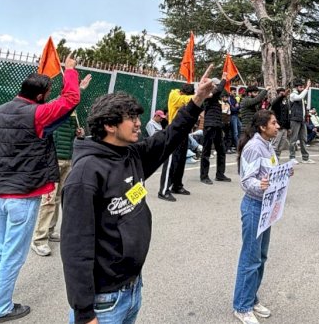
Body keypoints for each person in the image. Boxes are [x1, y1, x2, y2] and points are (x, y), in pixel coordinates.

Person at [61, 65, 216, 324]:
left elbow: (170, 136)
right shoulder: (85, 175)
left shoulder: (131, 154)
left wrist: (197, 99)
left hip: (131, 289)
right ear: (109, 125)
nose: (137, 123)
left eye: (137, 116)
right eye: (130, 118)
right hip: (104, 302)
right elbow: (76, 248)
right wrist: (85, 313)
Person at [0, 55, 83, 323]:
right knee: (14, 253)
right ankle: (0, 308)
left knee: (0, 247)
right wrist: (70, 71)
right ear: (42, 95)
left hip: (3, 193)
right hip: (24, 196)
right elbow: (70, 100)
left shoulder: (0, 111)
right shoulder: (37, 113)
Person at [232, 109, 289, 324]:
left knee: (260, 257)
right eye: (274, 123)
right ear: (262, 127)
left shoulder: (268, 146)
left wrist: (284, 171)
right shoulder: (254, 147)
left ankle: (251, 298)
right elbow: (247, 181)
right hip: (254, 207)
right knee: (250, 257)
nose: (277, 126)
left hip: (266, 207)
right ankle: (242, 306)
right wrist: (261, 184)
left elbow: (269, 172)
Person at [31, 72, 90, 257]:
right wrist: (78, 88)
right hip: (52, 160)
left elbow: (75, 129)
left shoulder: (74, 112)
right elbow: (67, 100)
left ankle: (50, 230)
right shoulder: (54, 106)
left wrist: (79, 133)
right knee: (48, 200)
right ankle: (39, 239)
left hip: (68, 158)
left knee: (58, 198)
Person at [157, 83, 196, 201]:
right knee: (170, 161)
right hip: (173, 132)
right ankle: (163, 190)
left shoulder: (189, 98)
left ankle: (177, 185)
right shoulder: (174, 94)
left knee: (181, 160)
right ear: (182, 92)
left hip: (184, 132)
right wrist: (197, 96)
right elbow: (182, 100)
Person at [201, 76, 232, 184]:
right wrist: (224, 79)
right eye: (215, 84)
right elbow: (218, 89)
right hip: (209, 125)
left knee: (221, 150)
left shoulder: (216, 96)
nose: (217, 86)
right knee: (206, 151)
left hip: (217, 125)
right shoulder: (208, 94)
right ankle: (204, 176)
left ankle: (220, 174)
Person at [288, 79, 314, 164]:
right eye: (300, 87)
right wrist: (307, 87)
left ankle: (305, 158)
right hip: (295, 120)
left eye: (303, 87)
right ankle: (292, 157)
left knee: (303, 139)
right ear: (296, 87)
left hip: (302, 120)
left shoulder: (301, 95)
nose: (302, 88)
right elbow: (300, 97)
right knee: (293, 139)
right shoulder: (293, 95)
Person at [269, 86, 291, 160]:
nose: (283, 95)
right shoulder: (275, 102)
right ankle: (271, 161)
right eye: (281, 93)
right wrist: (282, 95)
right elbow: (275, 102)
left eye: (284, 93)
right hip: (277, 127)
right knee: (274, 145)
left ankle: (277, 160)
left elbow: (288, 115)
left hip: (284, 127)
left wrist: (288, 128)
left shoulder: (286, 102)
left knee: (280, 147)